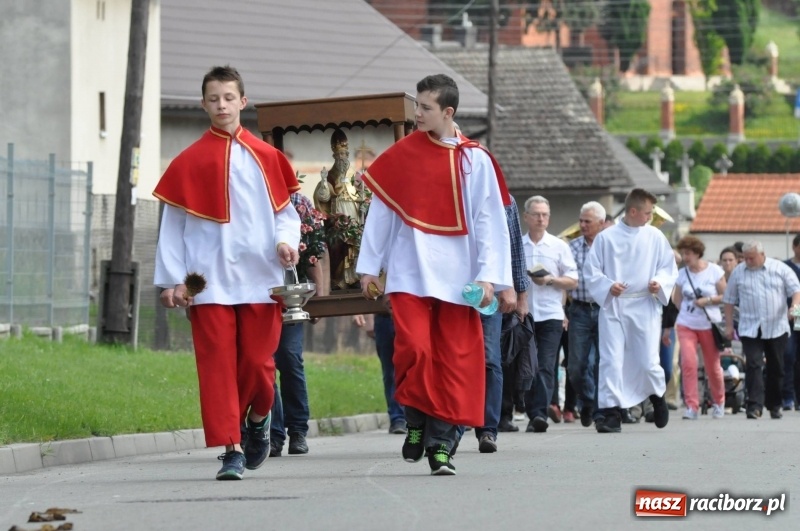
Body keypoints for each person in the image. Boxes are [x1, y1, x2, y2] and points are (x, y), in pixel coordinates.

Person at [356, 73, 512, 475]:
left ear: (448, 112)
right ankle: (415, 419)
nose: (417, 114)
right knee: (414, 349)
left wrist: (490, 277)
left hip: (460, 280)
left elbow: (491, 222)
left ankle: (440, 444)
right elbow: (382, 214)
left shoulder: (475, 160)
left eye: (425, 108)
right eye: (416, 107)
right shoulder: (403, 154)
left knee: (454, 361)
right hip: (409, 273)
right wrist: (369, 268)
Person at [153, 65, 301, 480]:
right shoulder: (188, 161)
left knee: (257, 364)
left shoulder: (269, 158)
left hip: (260, 278)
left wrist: (287, 242)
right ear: (203, 104)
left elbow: (287, 215)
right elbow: (173, 227)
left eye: (228, 98)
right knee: (216, 366)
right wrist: (171, 280)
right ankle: (231, 448)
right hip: (207, 281)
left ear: (243, 102)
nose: (221, 105)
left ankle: (258, 419)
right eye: (213, 98)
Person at [584, 188, 678, 434]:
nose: (650, 217)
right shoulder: (606, 238)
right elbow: (591, 271)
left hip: (644, 303)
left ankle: (657, 396)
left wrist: (659, 282)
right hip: (614, 305)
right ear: (633, 211)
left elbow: (668, 268)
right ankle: (612, 413)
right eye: (647, 212)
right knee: (611, 360)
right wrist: (608, 285)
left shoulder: (655, 237)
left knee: (647, 359)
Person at [269, 192, 324, 458]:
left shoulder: (299, 203)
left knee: (289, 359)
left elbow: (315, 252)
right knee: (263, 364)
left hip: (290, 294)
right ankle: (273, 434)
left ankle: (298, 430)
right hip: (256, 293)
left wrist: (319, 300)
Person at [724, 240, 800, 419]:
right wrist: (728, 325)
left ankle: (774, 404)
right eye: (745, 258)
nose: (748, 262)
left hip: (777, 327)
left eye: (751, 258)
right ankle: (754, 406)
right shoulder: (739, 272)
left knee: (776, 366)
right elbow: (729, 299)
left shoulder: (780, 269)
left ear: (762, 255)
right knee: (753, 364)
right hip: (750, 327)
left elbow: (796, 291)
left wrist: (794, 309)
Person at [522, 195, 578, 433]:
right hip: (524, 313)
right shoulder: (517, 245)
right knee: (527, 366)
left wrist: (551, 279)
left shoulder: (559, 246)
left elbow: (573, 280)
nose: (541, 218)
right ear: (527, 217)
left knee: (545, 365)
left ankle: (539, 412)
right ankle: (527, 409)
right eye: (536, 214)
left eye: (545, 214)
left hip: (551, 314)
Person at [672, 236, 727, 420]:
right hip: (687, 324)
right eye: (683, 253)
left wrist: (708, 300)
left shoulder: (714, 271)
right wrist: (686, 313)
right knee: (688, 363)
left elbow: (725, 296)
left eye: (688, 253)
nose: (685, 257)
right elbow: (676, 299)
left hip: (709, 324)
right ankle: (691, 406)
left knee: (713, 366)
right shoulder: (682, 274)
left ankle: (719, 402)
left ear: (697, 253)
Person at [566, 201, 606, 428]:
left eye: (587, 221)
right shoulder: (571, 247)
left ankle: (600, 411)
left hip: (604, 309)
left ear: (601, 223)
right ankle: (588, 400)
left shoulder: (610, 246)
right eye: (580, 220)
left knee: (603, 362)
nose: (582, 225)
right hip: (579, 309)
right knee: (576, 367)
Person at [352, 313, 408, 435]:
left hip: (412, 315)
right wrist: (368, 317)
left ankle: (417, 417)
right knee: (390, 371)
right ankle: (398, 418)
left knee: (414, 369)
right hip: (384, 316)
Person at [782, 234, 800, 411]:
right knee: (788, 356)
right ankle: (788, 396)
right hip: (789, 317)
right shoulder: (785, 267)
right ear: (795, 246)